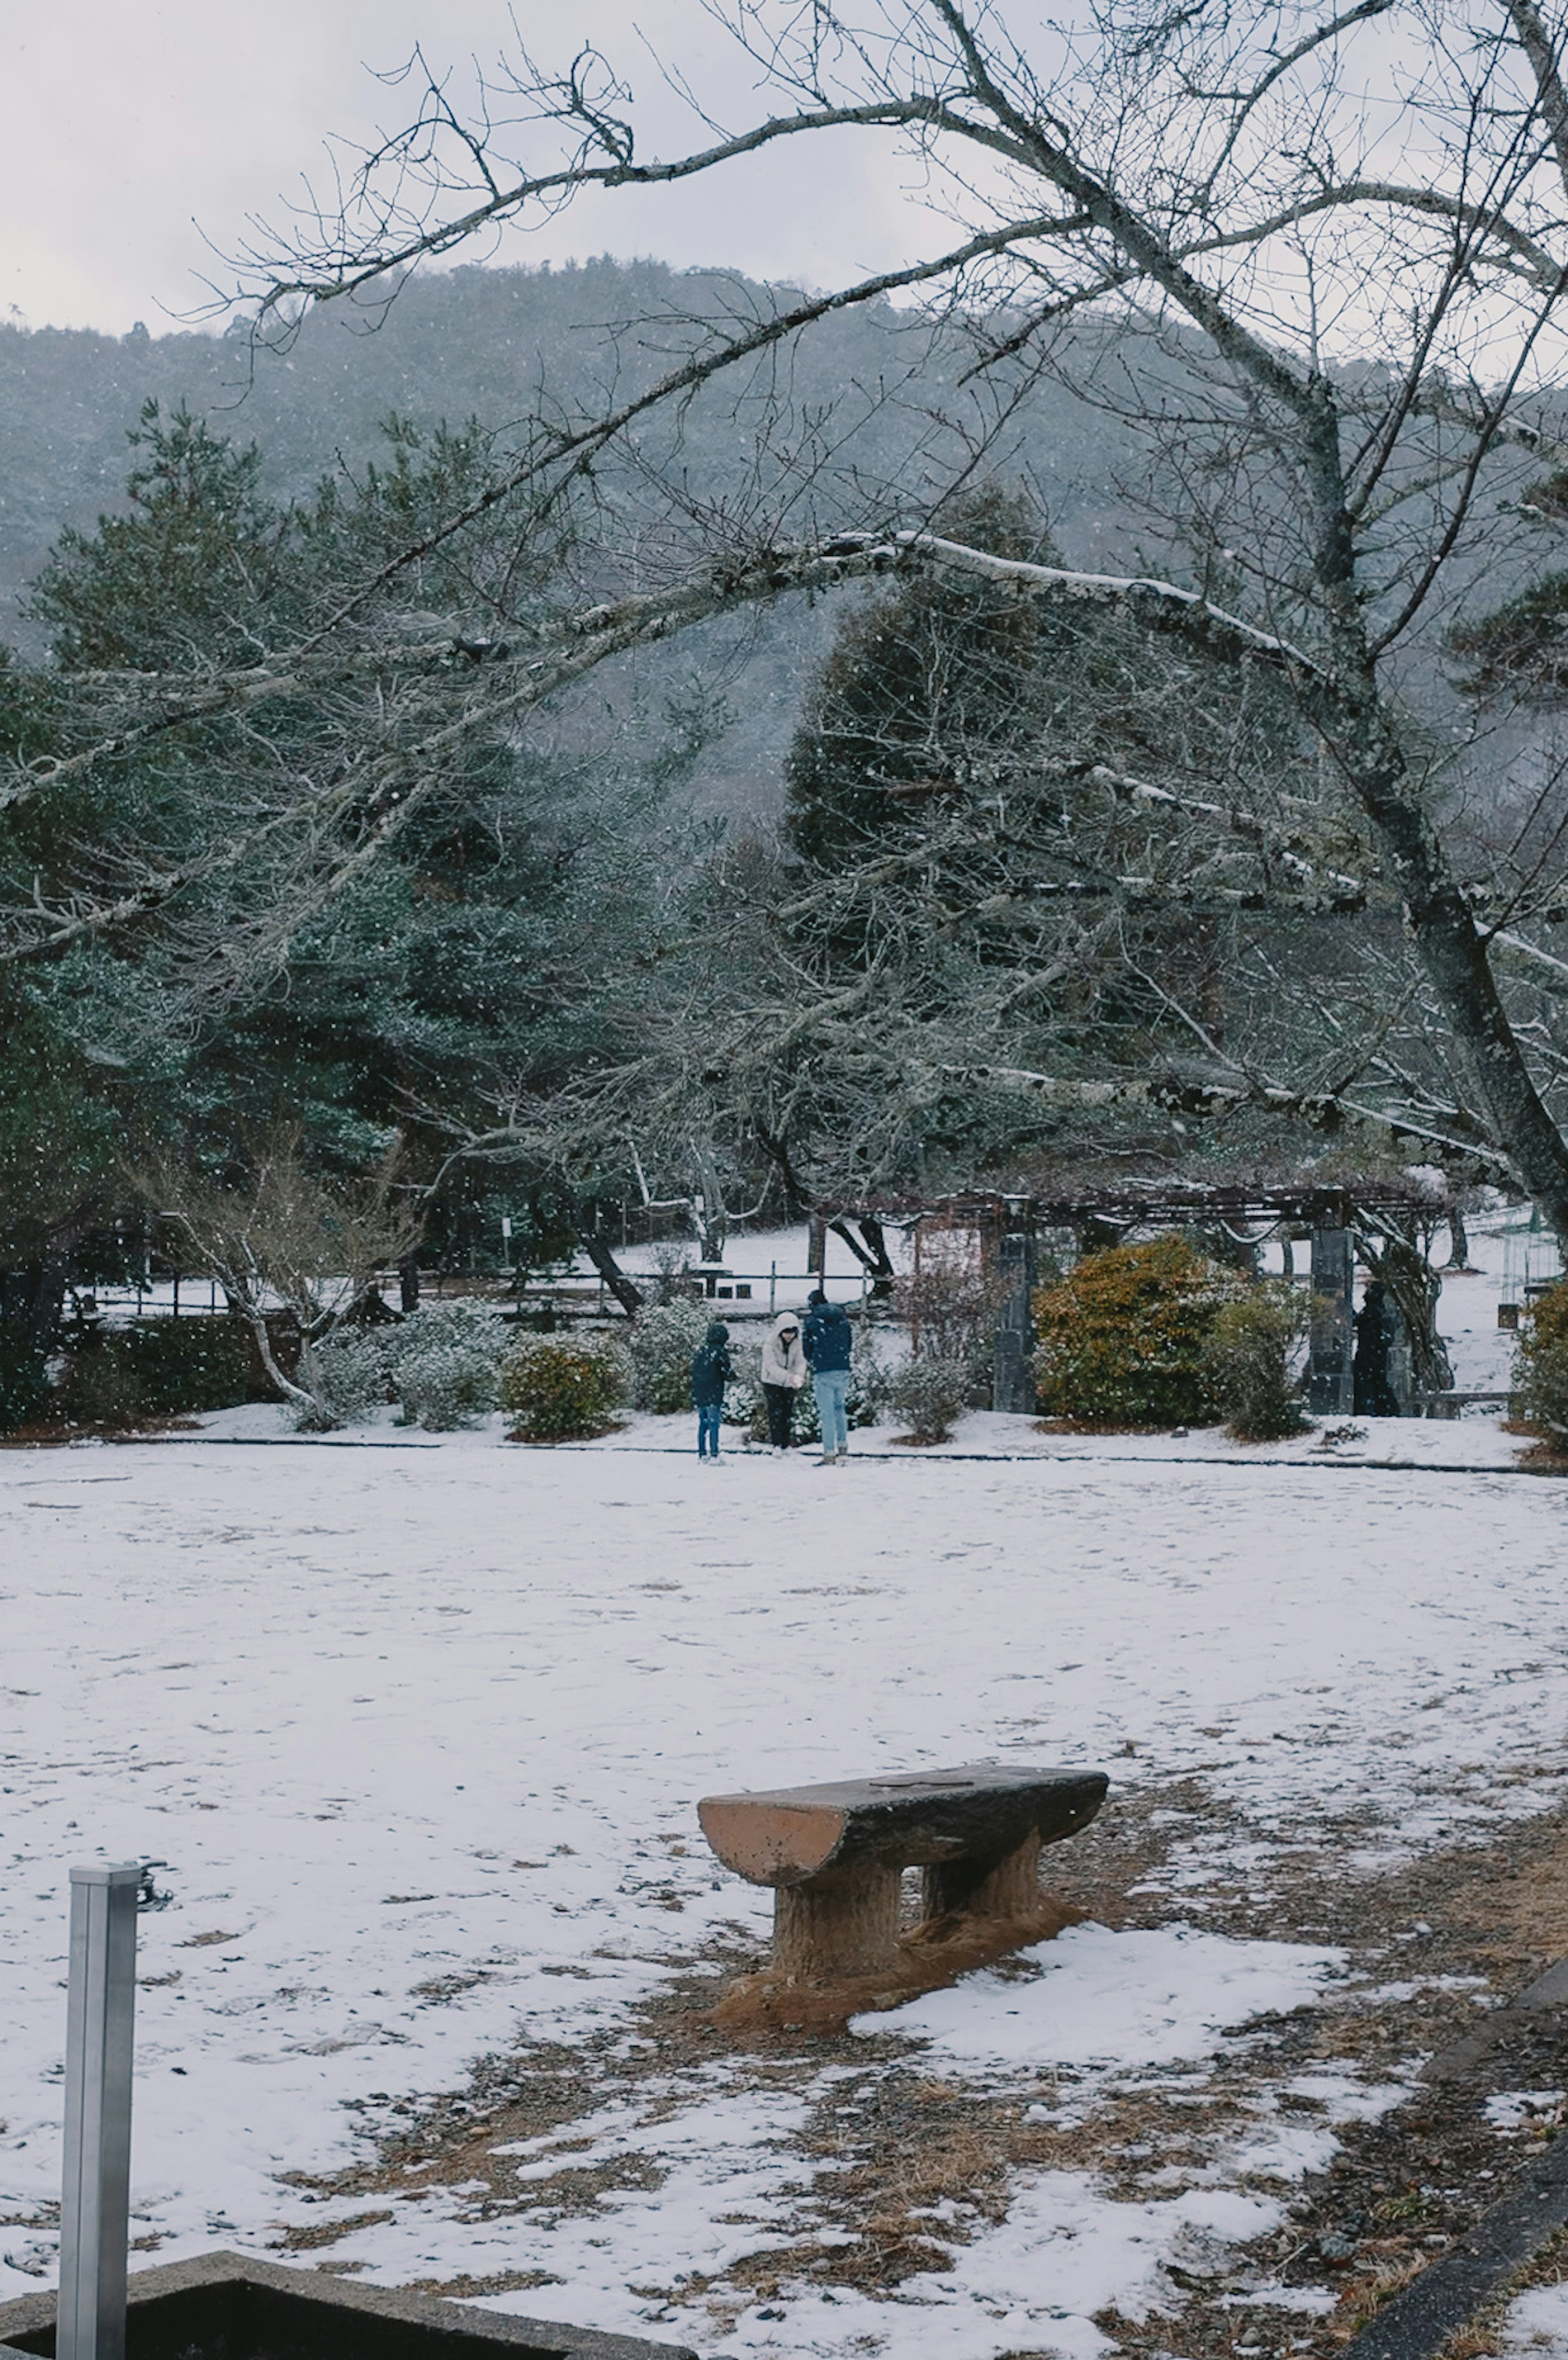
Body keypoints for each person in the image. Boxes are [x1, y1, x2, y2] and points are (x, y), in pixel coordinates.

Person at [802, 1287, 853, 1463]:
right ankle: (843, 1447)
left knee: (827, 1413)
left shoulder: (812, 1322)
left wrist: (814, 1359)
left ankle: (829, 1453)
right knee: (840, 1409)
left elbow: (806, 1349)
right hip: (843, 1367)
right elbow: (849, 1343)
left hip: (824, 1369)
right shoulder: (842, 1320)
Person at [760, 1312, 808, 1449]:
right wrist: (789, 1377)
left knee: (787, 1413)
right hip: (772, 1382)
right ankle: (776, 1445)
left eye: (792, 1333)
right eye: (786, 1333)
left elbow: (801, 1362)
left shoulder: (797, 1344)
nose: (789, 1336)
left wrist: (799, 1376)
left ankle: (786, 1444)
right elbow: (771, 1367)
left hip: (790, 1383)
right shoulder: (770, 1345)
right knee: (775, 1414)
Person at [689, 1320, 734, 1459]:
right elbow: (726, 1372)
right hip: (714, 1392)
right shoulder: (720, 1352)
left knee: (703, 1424)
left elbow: (694, 1372)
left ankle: (702, 1453)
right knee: (714, 1424)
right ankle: (714, 1453)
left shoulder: (701, 1352)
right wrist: (734, 1377)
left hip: (700, 1392)